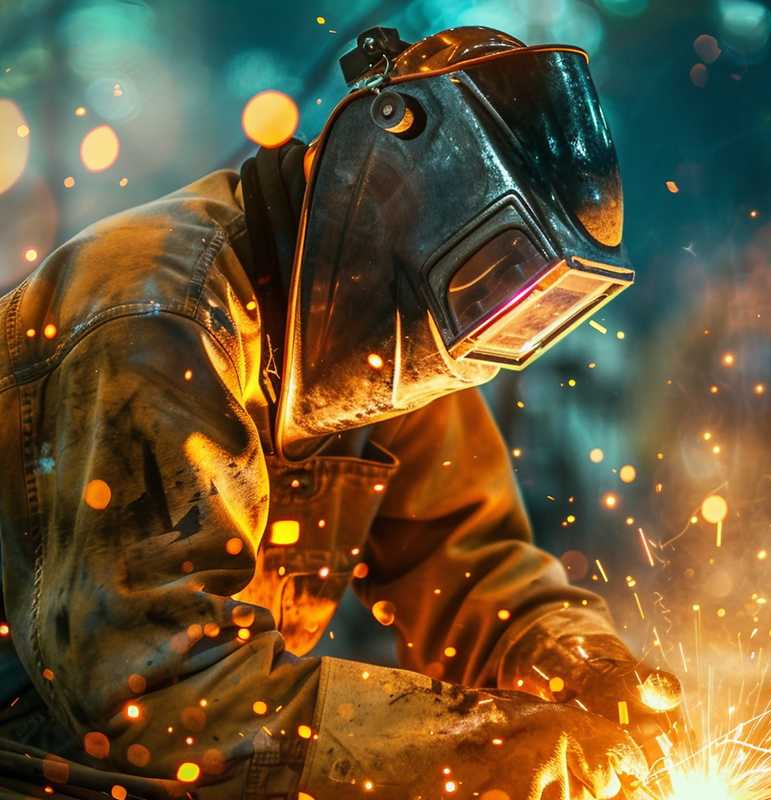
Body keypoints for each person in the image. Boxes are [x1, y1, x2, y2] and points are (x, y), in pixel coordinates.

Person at [0, 25, 678, 799]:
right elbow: (157, 698)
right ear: (387, 193)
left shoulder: (383, 337)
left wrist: (579, 664)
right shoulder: (154, 322)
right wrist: (503, 748)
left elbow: (469, 571)